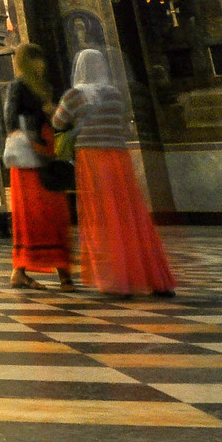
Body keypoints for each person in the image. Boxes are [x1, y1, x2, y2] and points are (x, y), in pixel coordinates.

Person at [53, 48, 175, 297]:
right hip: (119, 158)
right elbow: (123, 123)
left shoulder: (75, 95)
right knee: (130, 216)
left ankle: (115, 279)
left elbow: (57, 122)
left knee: (101, 217)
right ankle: (154, 278)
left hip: (92, 159)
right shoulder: (115, 94)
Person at [3, 44, 72, 290]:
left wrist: (51, 114)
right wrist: (40, 115)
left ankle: (63, 270)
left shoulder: (45, 87)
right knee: (32, 214)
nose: (42, 64)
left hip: (46, 150)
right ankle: (21, 270)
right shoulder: (18, 85)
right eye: (36, 59)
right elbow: (10, 118)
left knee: (55, 211)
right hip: (28, 155)